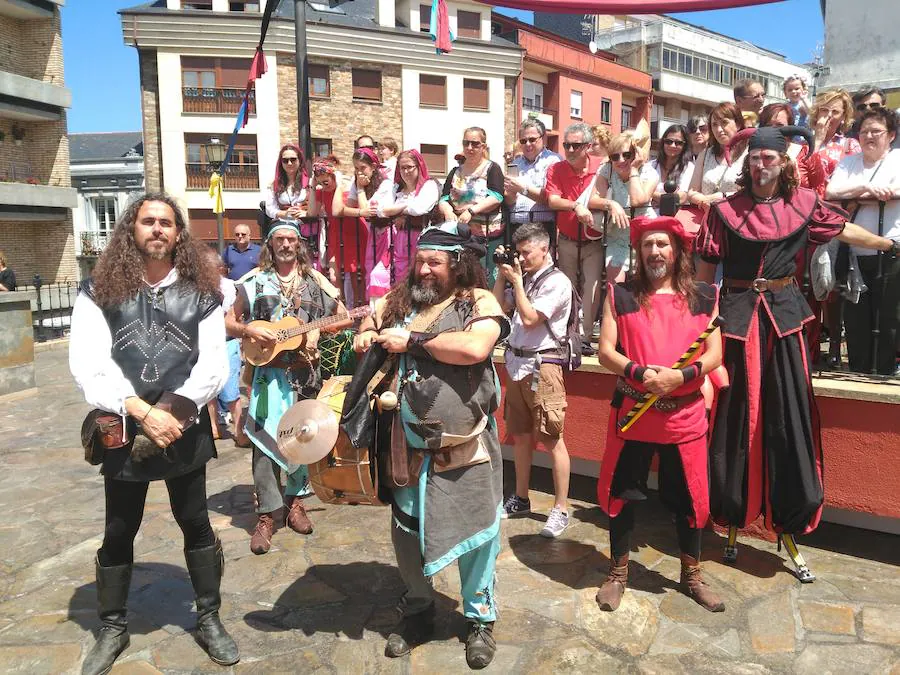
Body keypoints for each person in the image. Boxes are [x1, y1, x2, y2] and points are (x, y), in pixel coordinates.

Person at [695, 126, 899, 582]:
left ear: (783, 163)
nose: (762, 165)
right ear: (747, 165)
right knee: (735, 414)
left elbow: (845, 229)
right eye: (755, 158)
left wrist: (887, 244)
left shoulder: (803, 204)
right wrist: (700, 315)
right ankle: (733, 508)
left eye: (770, 158)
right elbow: (706, 270)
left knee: (787, 415)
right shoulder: (725, 211)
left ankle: (787, 517)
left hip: (785, 321)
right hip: (736, 321)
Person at [69, 193, 239, 673]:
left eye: (167, 222)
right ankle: (113, 626)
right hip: (123, 426)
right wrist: (142, 411)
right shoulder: (98, 291)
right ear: (132, 229)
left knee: (195, 522)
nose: (158, 229)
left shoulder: (204, 295)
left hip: (181, 423)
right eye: (149, 221)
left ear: (179, 234)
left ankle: (208, 618)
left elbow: (211, 365)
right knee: (119, 529)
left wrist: (170, 409)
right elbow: (89, 364)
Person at [353, 221, 509, 669]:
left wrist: (414, 341)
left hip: (464, 448)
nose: (424, 270)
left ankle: (479, 619)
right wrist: (366, 330)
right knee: (406, 534)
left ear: (456, 265)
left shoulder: (477, 301)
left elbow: (476, 347)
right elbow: (370, 312)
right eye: (419, 260)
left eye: (434, 262)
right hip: (407, 449)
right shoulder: (401, 302)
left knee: (478, 533)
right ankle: (419, 608)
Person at [595, 215, 724, 613]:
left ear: (678, 250)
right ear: (639, 251)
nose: (655, 251)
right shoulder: (620, 294)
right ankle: (617, 573)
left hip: (683, 415)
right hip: (634, 411)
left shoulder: (704, 296)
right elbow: (605, 351)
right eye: (648, 244)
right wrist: (641, 373)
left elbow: (716, 354)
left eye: (663, 244)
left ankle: (692, 575)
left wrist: (680, 376)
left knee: (690, 499)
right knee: (622, 495)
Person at [226, 220, 346, 554]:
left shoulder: (314, 281)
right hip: (268, 376)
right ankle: (267, 513)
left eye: (291, 239)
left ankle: (295, 503)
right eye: (279, 239)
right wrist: (251, 332)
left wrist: (323, 329)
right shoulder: (253, 282)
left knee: (303, 439)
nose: (286, 244)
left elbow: (344, 315)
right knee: (265, 444)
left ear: (299, 245)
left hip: (305, 373)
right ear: (269, 244)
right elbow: (229, 321)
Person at [492, 223, 573, 536]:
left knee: (552, 440)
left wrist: (518, 285)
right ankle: (521, 498)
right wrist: (503, 277)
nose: (521, 259)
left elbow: (528, 317)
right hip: (515, 364)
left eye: (526, 253)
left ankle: (561, 508)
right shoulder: (523, 277)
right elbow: (498, 308)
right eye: (519, 253)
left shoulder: (558, 282)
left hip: (544, 366)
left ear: (544, 248)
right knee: (521, 436)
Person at [826, 108, 900, 375]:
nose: (868, 136)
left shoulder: (897, 159)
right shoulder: (849, 162)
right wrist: (865, 190)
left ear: (891, 135)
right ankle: (858, 370)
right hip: (854, 253)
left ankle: (884, 371)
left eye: (876, 131)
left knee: (888, 315)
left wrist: (882, 194)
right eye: (864, 131)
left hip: (891, 249)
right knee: (856, 317)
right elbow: (831, 191)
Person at [809, 89, 862, 367]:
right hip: (805, 219)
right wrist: (817, 140)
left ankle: (832, 347)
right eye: (824, 109)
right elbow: (803, 175)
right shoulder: (803, 142)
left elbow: (855, 179)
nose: (828, 116)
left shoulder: (850, 146)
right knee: (809, 286)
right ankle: (810, 347)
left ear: (844, 117)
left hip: (836, 220)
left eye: (835, 112)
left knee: (833, 285)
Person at [545, 122, 606, 355]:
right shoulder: (556, 169)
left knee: (592, 287)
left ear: (588, 146)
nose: (569, 150)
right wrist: (576, 206)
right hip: (568, 239)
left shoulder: (602, 167)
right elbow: (552, 201)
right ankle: (568, 333)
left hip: (594, 240)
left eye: (575, 145)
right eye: (566, 145)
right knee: (567, 287)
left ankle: (586, 336)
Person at [438, 127, 505, 283]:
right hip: (461, 236)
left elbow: (496, 196)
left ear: (483, 146)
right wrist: (448, 211)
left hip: (487, 236)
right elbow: (444, 198)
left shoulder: (492, 168)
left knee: (487, 280)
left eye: (475, 144)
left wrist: (471, 211)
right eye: (466, 143)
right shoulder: (455, 171)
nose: (469, 148)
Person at [592, 130, 660, 283]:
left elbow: (638, 200)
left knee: (644, 289)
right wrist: (612, 204)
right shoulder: (607, 170)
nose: (621, 160)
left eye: (626, 155)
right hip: (617, 237)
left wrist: (634, 170)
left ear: (636, 154)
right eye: (615, 156)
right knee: (615, 288)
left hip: (644, 237)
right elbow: (593, 199)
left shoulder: (649, 173)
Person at [333, 147, 394, 299]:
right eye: (356, 168)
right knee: (369, 271)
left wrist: (360, 190)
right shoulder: (356, 182)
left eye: (363, 168)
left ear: (373, 167)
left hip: (387, 234)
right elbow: (340, 210)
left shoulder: (385, 184)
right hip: (372, 235)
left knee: (380, 274)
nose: (359, 172)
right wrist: (341, 186)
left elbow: (368, 210)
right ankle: (370, 311)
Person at [377, 149, 440, 284]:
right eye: (402, 168)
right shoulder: (396, 188)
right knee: (400, 275)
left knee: (419, 273)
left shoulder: (429, 185)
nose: (406, 171)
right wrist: (404, 209)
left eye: (410, 167)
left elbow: (419, 208)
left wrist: (397, 211)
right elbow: (381, 210)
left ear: (419, 166)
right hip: (400, 237)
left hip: (421, 236)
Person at [314, 156, 367, 307]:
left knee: (357, 278)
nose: (323, 186)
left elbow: (338, 210)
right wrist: (313, 185)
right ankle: (341, 312)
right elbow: (312, 211)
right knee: (333, 277)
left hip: (354, 234)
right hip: (335, 235)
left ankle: (359, 314)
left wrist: (338, 185)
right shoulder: (321, 192)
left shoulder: (346, 188)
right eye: (320, 183)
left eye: (326, 182)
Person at [687, 103, 749, 212]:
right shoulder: (705, 154)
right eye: (714, 125)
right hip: (709, 219)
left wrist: (722, 196)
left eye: (724, 122)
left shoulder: (750, 153)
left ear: (738, 124)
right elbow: (692, 191)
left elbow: (753, 192)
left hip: (738, 218)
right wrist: (700, 199)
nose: (719, 129)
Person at [503, 118, 561, 233]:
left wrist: (522, 189)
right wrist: (509, 193)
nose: (527, 144)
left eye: (532, 139)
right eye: (523, 141)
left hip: (542, 227)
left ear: (543, 138)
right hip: (516, 226)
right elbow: (510, 201)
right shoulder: (516, 163)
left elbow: (550, 198)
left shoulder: (554, 161)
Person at [760, 103, 826, 195]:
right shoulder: (756, 156)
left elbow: (819, 190)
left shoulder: (806, 153)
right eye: (768, 126)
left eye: (780, 126)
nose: (774, 131)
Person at [650, 124, 694, 206]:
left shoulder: (689, 168)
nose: (672, 145)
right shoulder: (650, 166)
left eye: (678, 143)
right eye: (668, 142)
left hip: (674, 217)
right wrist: (667, 199)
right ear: (663, 143)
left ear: (684, 146)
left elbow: (681, 198)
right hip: (649, 216)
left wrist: (650, 194)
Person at [265, 143, 308, 223]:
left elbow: (321, 208)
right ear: (281, 163)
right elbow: (269, 209)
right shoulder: (274, 185)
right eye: (285, 160)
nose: (289, 163)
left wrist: (306, 213)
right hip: (284, 227)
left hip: (307, 228)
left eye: (293, 159)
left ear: (300, 160)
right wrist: (285, 213)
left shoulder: (310, 183)